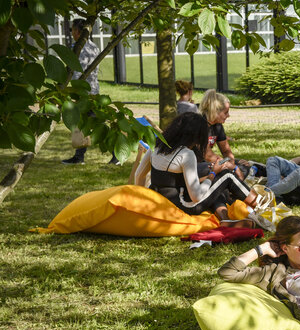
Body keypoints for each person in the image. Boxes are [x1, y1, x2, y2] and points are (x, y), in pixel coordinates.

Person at [132, 112, 261, 224]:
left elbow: (139, 175)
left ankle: (225, 218)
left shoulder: (157, 145)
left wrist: (143, 198)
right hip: (183, 205)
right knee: (227, 176)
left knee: (216, 186)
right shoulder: (187, 154)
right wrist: (213, 174)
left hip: (161, 199)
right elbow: (196, 197)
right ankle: (261, 206)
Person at [62, 19, 110, 165]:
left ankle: (115, 153)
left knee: (95, 124)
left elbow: (77, 72)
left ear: (78, 31)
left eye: (72, 30)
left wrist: (74, 91)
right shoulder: (94, 47)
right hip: (93, 89)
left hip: (84, 92)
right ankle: (79, 156)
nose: (72, 33)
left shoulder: (78, 48)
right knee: (87, 123)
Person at [199, 89, 238, 175]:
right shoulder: (199, 124)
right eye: (226, 112)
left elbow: (226, 151)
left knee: (242, 165)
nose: (228, 115)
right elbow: (208, 156)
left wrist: (231, 162)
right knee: (228, 171)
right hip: (193, 166)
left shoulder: (217, 126)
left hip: (209, 163)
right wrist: (230, 165)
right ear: (215, 111)